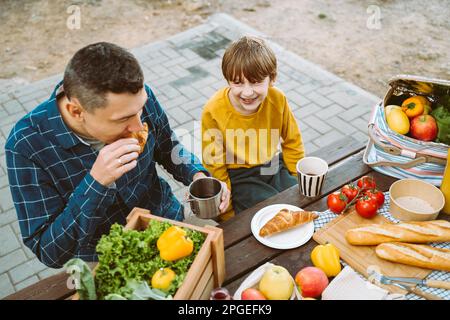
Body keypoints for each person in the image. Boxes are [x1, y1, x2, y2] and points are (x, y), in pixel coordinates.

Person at [5, 42, 230, 268]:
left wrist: (197, 176)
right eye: (123, 120)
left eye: (140, 110)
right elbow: (49, 251)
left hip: (167, 223)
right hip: (105, 257)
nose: (138, 125)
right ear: (77, 111)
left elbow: (168, 146)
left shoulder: (134, 102)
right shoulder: (26, 145)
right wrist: (97, 183)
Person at [201, 36, 305, 220]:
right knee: (273, 214)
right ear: (228, 80)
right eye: (238, 82)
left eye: (256, 81)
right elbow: (214, 163)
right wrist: (228, 212)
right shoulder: (213, 110)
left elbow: (292, 140)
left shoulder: (278, 99)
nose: (247, 92)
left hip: (272, 166)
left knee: (299, 201)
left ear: (271, 78)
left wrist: (296, 177)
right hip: (239, 177)